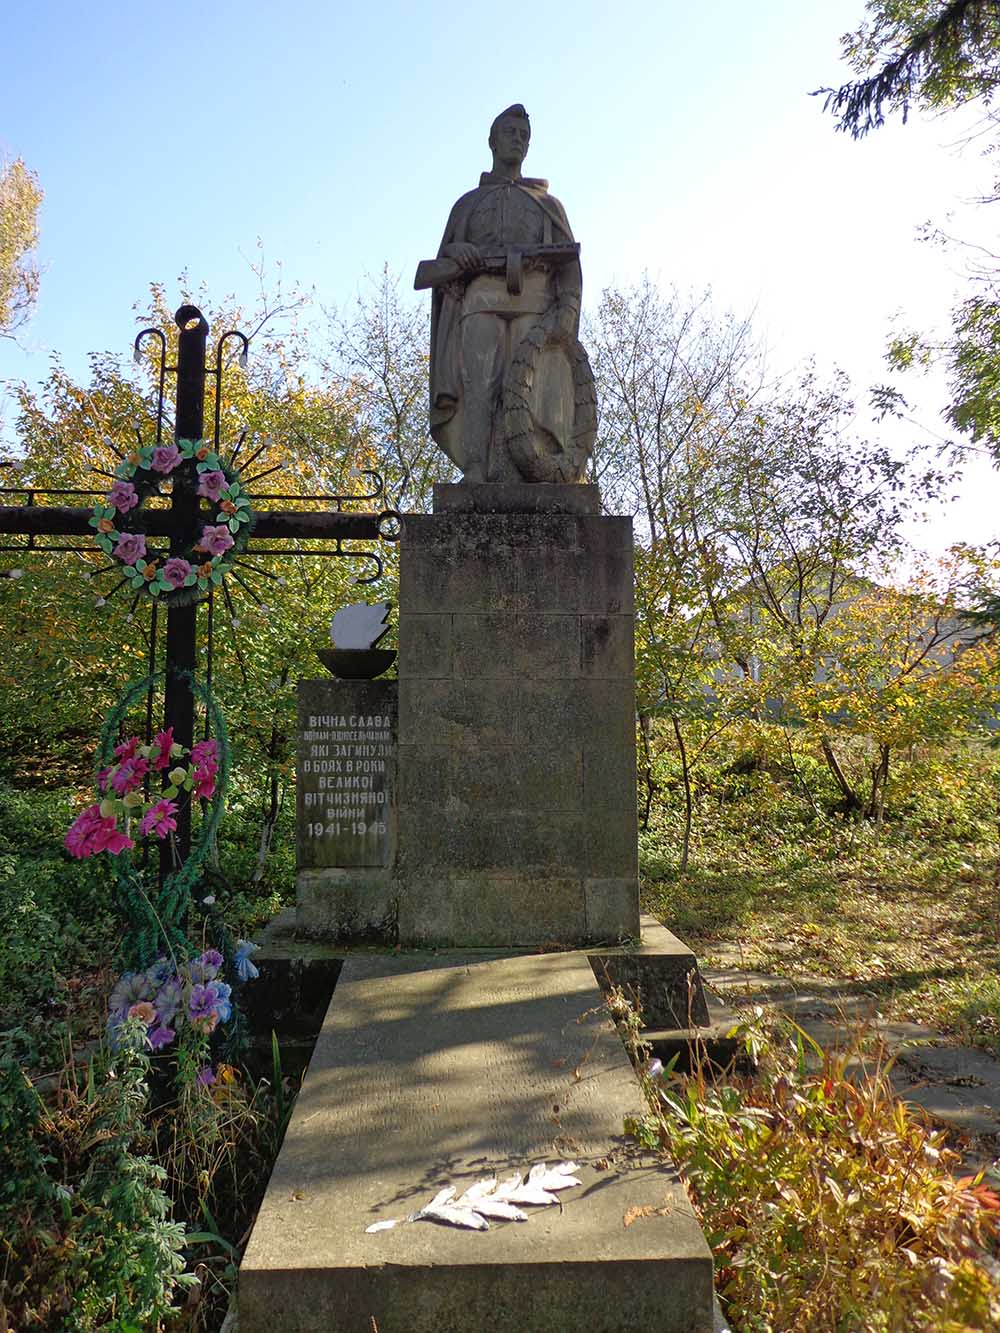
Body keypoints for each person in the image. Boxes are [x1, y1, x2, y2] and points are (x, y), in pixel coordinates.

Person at [424, 105, 584, 482]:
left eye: (524, 136)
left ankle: (535, 468)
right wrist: (454, 253)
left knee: (529, 384)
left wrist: (568, 309)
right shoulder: (467, 204)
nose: (518, 140)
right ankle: (476, 467)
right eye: (510, 133)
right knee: (479, 384)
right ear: (492, 141)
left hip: (535, 300)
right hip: (481, 299)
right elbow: (445, 257)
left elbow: (569, 264)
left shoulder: (548, 204)